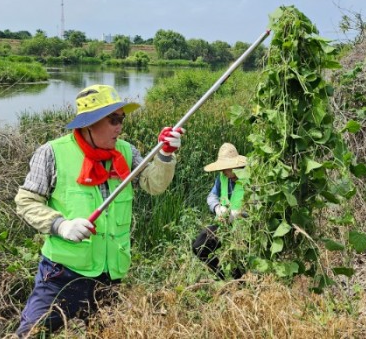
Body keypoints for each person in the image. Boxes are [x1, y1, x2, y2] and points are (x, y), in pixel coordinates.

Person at [14, 84, 184, 337]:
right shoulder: (52, 153)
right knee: (31, 334)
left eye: (121, 119)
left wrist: (166, 155)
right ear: (89, 123)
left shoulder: (127, 152)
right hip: (63, 273)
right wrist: (61, 225)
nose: (120, 126)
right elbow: (26, 201)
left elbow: (154, 185)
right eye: (112, 120)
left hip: (109, 274)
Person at [191, 142, 247, 280]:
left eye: (225, 169)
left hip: (245, 228)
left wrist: (240, 213)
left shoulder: (250, 178)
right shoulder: (222, 178)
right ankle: (223, 277)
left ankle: (240, 284)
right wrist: (217, 208)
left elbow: (259, 203)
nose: (223, 172)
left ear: (235, 165)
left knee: (239, 262)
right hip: (223, 224)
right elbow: (211, 196)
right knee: (199, 247)